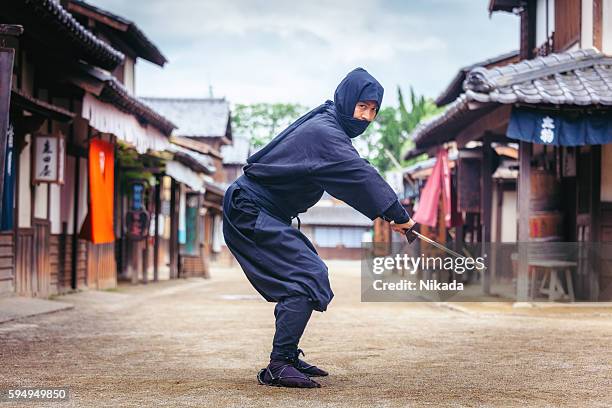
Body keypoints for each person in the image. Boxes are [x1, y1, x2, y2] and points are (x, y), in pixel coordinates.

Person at [222, 68, 416, 388]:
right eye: (362, 107)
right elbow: (358, 173)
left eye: (373, 110)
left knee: (306, 270)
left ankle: (287, 355)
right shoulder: (325, 132)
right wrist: (397, 213)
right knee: (306, 273)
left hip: (261, 210)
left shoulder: (329, 123)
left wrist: (387, 214)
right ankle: (279, 363)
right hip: (250, 208)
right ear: (346, 100)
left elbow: (345, 179)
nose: (366, 117)